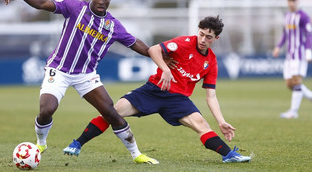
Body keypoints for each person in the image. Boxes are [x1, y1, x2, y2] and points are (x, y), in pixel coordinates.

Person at [4, 0, 159, 164]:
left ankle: (137, 155)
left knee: (111, 112)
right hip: (59, 69)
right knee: (47, 110)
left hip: (86, 75)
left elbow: (135, 43)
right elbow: (44, 3)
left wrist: (157, 56)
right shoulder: (74, 8)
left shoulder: (113, 26)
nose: (101, 2)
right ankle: (41, 143)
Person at [64, 15, 252, 163]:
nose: (203, 39)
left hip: (177, 100)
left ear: (216, 38)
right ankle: (77, 144)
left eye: (208, 37)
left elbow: (211, 96)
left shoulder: (211, 62)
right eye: (201, 34)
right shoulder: (185, 42)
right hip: (153, 91)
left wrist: (221, 121)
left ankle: (229, 155)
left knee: (202, 126)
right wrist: (165, 70)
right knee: (112, 112)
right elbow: (154, 49)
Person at [272, 0, 312, 119]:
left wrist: (308, 51)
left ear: (297, 1)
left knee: (296, 81)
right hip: (290, 55)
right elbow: (285, 34)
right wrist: (278, 46)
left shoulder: (304, 17)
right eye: (289, 0)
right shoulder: (287, 16)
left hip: (300, 55)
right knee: (290, 83)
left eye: (293, 0)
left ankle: (293, 112)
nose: (291, 3)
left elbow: (309, 34)